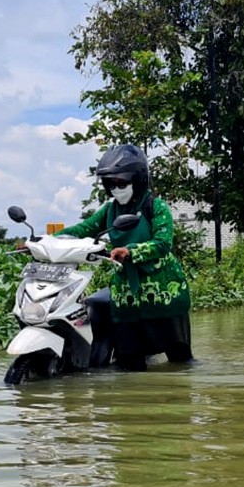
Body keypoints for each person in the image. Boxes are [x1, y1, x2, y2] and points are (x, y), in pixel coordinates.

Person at [55, 144, 193, 371]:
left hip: (163, 295)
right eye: (111, 184)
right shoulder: (110, 210)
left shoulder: (155, 207)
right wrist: (47, 240)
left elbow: (163, 243)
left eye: (121, 183)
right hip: (126, 297)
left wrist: (131, 252)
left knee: (180, 361)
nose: (116, 189)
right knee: (130, 361)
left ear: (137, 180)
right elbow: (84, 228)